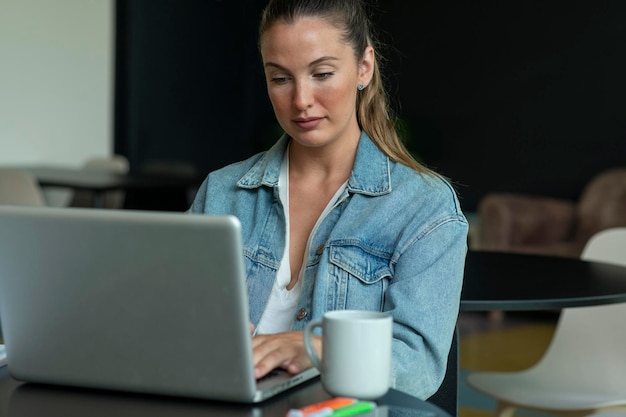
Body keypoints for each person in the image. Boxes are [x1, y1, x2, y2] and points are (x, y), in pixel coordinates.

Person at [188, 0, 468, 400]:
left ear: (363, 68)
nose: (301, 100)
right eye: (281, 79)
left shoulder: (425, 208)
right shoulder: (221, 193)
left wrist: (316, 350)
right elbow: (168, 319)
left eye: (321, 74)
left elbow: (418, 366)